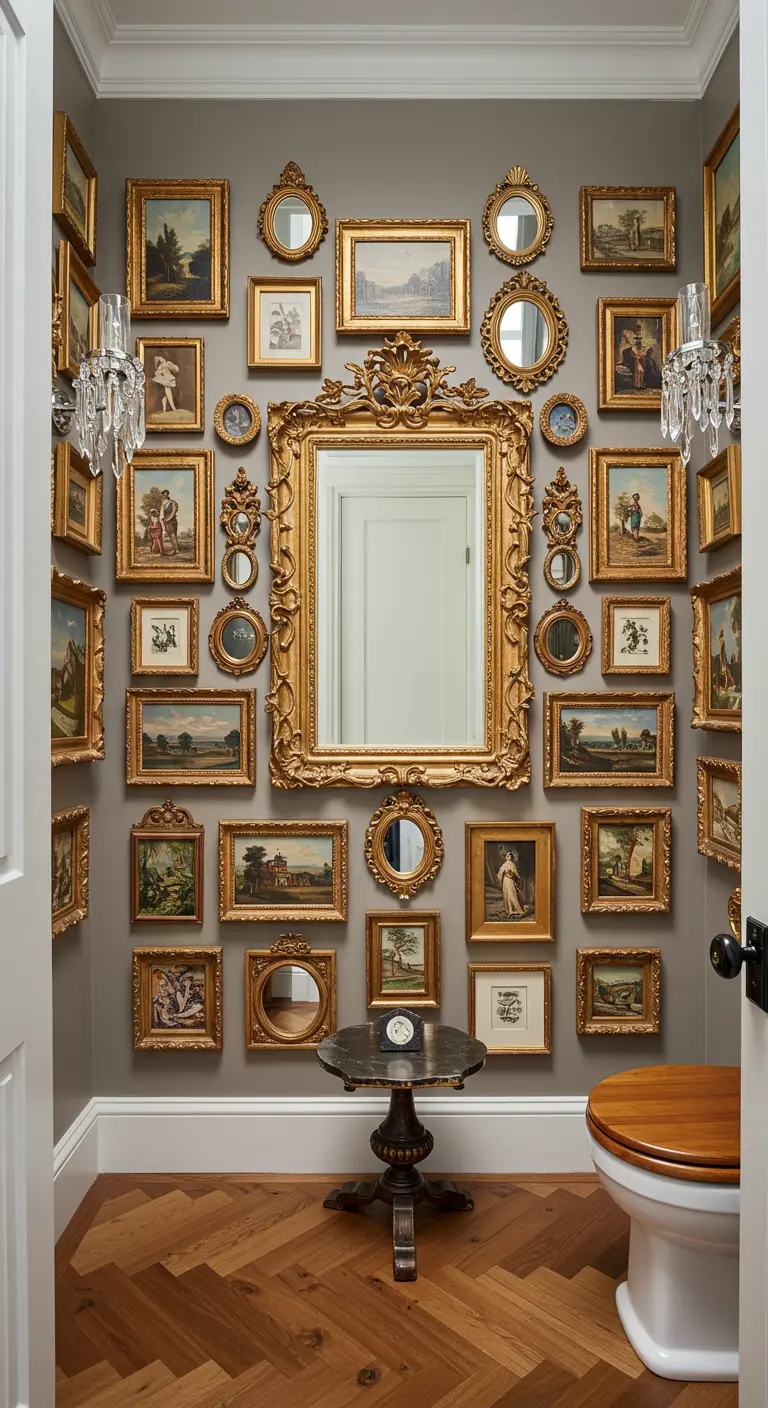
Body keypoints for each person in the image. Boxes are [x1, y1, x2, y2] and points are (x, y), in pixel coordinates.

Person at [497, 850, 523, 918]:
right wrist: (502, 878)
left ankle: (517, 910)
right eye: (506, 856)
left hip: (510, 881)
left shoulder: (512, 865)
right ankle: (509, 910)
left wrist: (512, 874)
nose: (507, 857)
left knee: (512, 894)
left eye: (509, 856)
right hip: (505, 880)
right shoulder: (504, 864)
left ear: (511, 857)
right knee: (506, 895)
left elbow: (516, 875)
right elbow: (499, 874)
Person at [160, 488, 180, 556]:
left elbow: (173, 511)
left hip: (172, 521)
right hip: (166, 521)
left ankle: (176, 550)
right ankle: (175, 549)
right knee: (171, 535)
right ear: (163, 495)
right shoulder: (163, 503)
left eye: (166, 494)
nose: (165, 496)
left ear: (168, 495)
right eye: (164, 495)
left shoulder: (172, 502)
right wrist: (163, 519)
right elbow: (162, 513)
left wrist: (169, 519)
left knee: (173, 535)